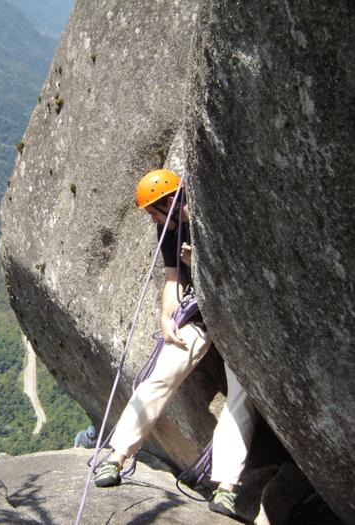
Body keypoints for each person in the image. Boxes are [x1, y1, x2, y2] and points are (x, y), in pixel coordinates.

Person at [93, 169, 257, 522]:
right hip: (200, 311)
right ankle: (117, 456)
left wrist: (199, 259)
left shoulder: (212, 215)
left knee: (242, 394)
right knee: (162, 373)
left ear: (172, 200)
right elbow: (172, 279)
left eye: (155, 211)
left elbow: (241, 266)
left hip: (240, 313)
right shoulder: (166, 228)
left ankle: (226, 486)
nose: (154, 220)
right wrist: (166, 316)